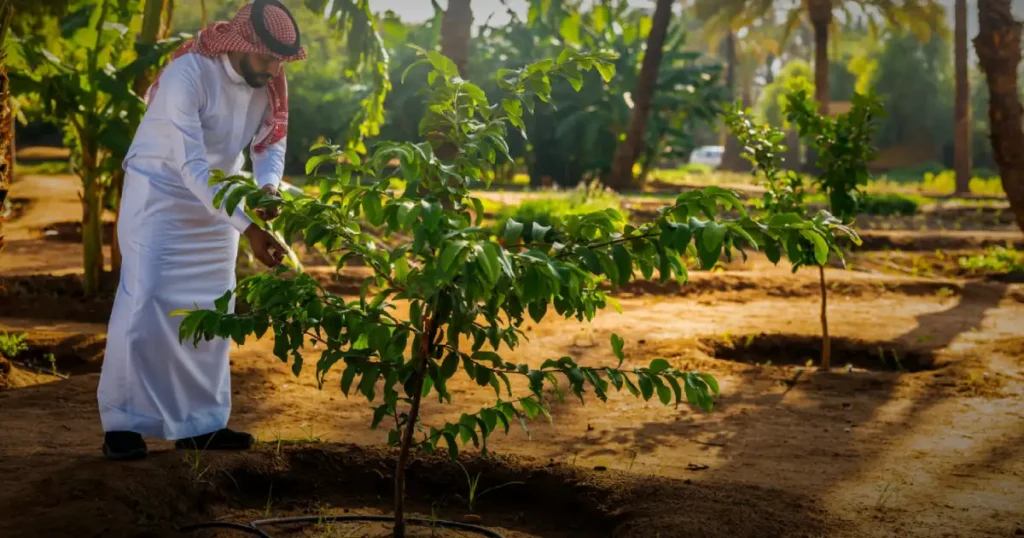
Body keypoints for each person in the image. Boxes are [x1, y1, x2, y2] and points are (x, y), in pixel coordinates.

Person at [96, 0, 306, 461]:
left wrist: (268, 188)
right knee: (146, 302)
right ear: (241, 45)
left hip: (218, 203)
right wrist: (248, 228)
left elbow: (270, 142)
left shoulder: (267, 79)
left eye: (281, 62)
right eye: (268, 59)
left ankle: (202, 424)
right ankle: (123, 424)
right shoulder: (187, 74)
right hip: (161, 197)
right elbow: (190, 166)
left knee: (213, 307)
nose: (275, 70)